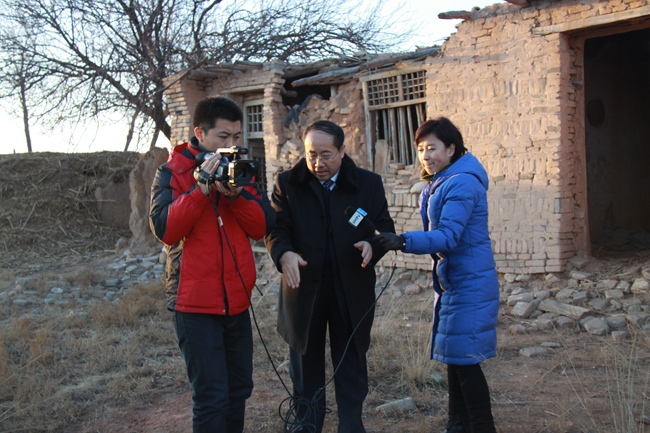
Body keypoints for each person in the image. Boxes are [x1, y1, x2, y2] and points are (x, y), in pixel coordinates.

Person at [149, 96, 275, 433]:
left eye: (237, 137)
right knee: (211, 396)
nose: (231, 145)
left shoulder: (240, 170)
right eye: (223, 137)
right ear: (199, 133)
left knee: (238, 390)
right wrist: (200, 190)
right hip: (194, 303)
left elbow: (261, 228)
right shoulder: (173, 171)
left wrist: (235, 197)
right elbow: (164, 229)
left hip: (236, 302)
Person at [265, 120, 395, 433]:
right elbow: (275, 229)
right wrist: (284, 253)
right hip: (303, 291)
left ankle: (351, 425)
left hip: (350, 289)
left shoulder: (368, 184)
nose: (318, 163)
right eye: (311, 155)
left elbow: (384, 228)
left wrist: (372, 245)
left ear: (342, 150)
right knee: (304, 370)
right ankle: (307, 425)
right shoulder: (287, 183)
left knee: (350, 365)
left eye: (326, 155)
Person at [378, 117, 499, 433]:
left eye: (432, 148)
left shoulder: (462, 182)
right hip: (455, 280)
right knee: (457, 359)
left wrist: (404, 241)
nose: (426, 156)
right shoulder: (444, 180)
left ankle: (482, 428)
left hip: (469, 282)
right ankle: (457, 425)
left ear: (451, 148)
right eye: (420, 149)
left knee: (466, 362)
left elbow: (447, 236)